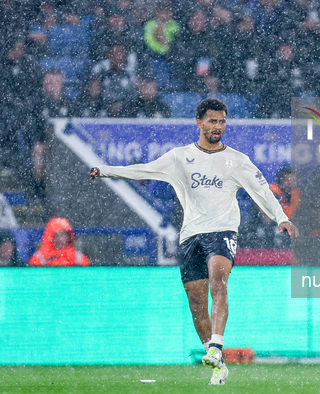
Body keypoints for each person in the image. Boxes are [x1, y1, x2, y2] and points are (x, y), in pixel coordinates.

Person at [89, 98, 298, 385]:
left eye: (222, 121)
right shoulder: (179, 157)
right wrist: (106, 170)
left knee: (218, 281)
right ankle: (216, 362)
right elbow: (144, 170)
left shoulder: (236, 160)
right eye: (212, 121)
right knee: (196, 300)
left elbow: (261, 190)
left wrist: (281, 217)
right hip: (190, 235)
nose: (218, 126)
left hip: (223, 232)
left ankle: (216, 344)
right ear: (199, 122)